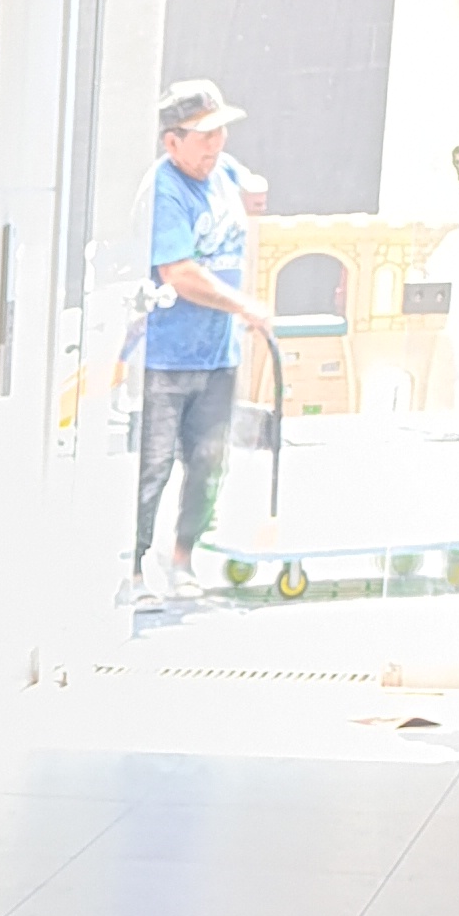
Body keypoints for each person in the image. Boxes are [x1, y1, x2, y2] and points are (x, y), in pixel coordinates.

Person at [139, 78, 270, 591]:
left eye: (221, 132)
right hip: (167, 356)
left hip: (218, 353)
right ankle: (135, 566)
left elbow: (248, 183)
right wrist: (243, 305)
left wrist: (254, 187)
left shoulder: (222, 170)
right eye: (204, 135)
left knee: (209, 460)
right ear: (172, 142)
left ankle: (183, 558)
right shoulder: (165, 190)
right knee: (153, 467)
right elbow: (179, 273)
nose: (216, 144)